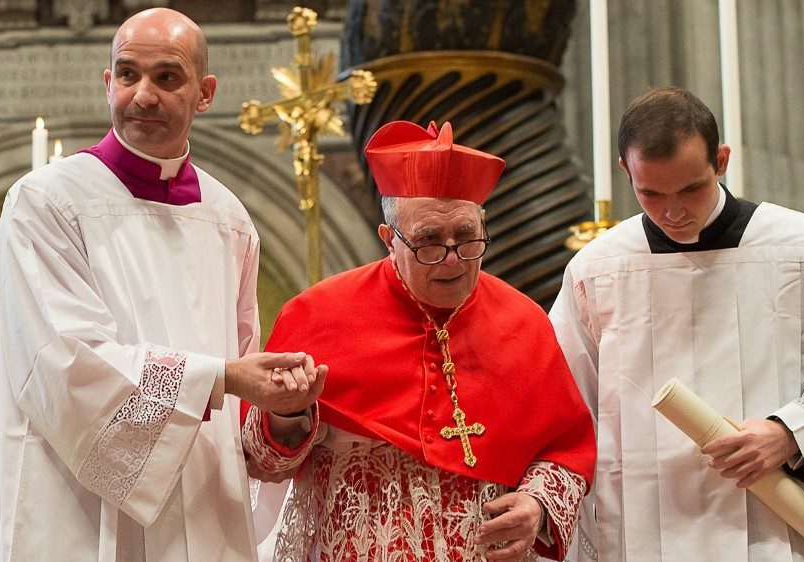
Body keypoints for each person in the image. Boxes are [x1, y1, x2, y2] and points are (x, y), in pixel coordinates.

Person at [0, 8, 323, 561]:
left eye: (167, 77)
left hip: (205, 515)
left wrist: (281, 413)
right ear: (106, 82)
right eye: (127, 74)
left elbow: (241, 408)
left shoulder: (228, 219)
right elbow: (68, 368)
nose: (143, 95)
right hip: (78, 519)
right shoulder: (45, 205)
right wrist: (223, 378)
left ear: (205, 92)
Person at [550, 86, 804, 561]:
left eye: (691, 188)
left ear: (722, 160)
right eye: (650, 193)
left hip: (778, 528)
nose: (673, 212)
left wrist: (790, 434)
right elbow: (564, 409)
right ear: (626, 172)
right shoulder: (596, 272)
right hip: (644, 531)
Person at [242, 120, 597, 561]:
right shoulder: (318, 316)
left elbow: (566, 449)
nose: (452, 258)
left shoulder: (523, 322)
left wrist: (536, 506)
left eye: (467, 238)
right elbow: (260, 460)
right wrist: (288, 412)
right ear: (389, 240)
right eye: (429, 241)